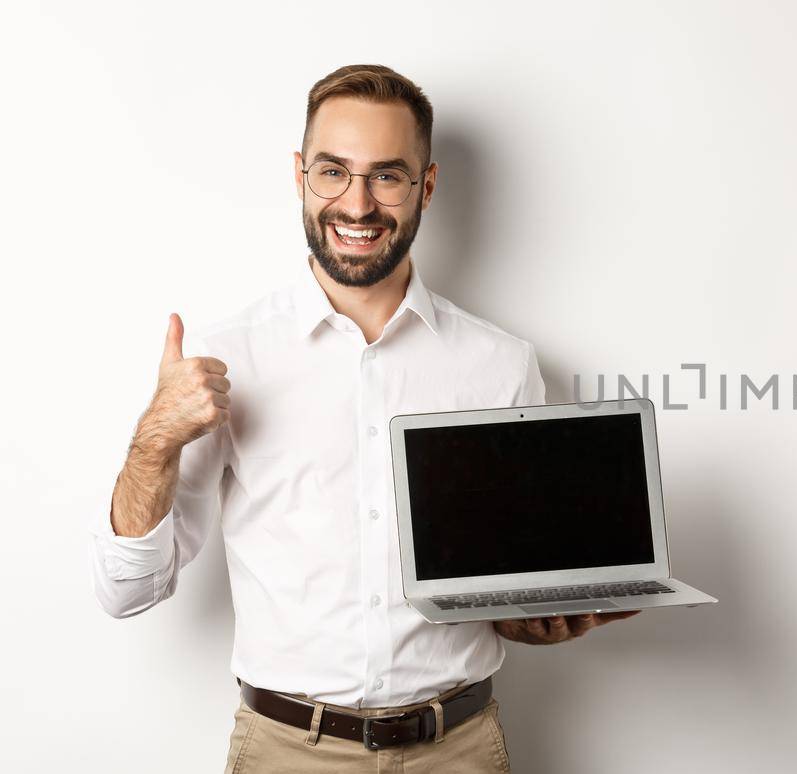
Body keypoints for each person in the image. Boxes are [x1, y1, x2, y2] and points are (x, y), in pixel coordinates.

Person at [87, 63, 639, 772]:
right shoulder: (227, 358)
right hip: (288, 753)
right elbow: (125, 592)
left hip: (460, 750)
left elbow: (502, 581)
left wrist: (538, 618)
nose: (357, 204)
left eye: (387, 175)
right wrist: (154, 442)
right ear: (299, 175)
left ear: (426, 188)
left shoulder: (501, 364)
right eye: (333, 172)